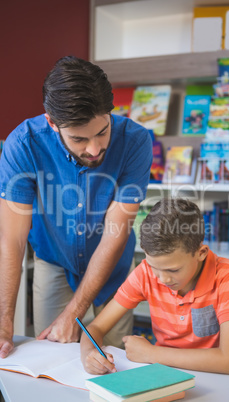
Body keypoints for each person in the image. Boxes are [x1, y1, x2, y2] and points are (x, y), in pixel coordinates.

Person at [0, 56, 152, 358]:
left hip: (114, 268)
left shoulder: (135, 141)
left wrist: (75, 314)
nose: (94, 149)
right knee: (53, 357)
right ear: (52, 123)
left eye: (102, 132)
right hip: (53, 262)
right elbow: (12, 239)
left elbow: (115, 234)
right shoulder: (23, 145)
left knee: (111, 364)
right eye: (79, 139)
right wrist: (4, 318)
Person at [80, 198, 229, 375]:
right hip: (163, 374)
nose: (163, 279)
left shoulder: (226, 274)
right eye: (154, 267)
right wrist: (88, 355)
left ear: (201, 253)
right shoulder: (145, 273)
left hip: (213, 376)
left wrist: (152, 353)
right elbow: (95, 328)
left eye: (173, 269)